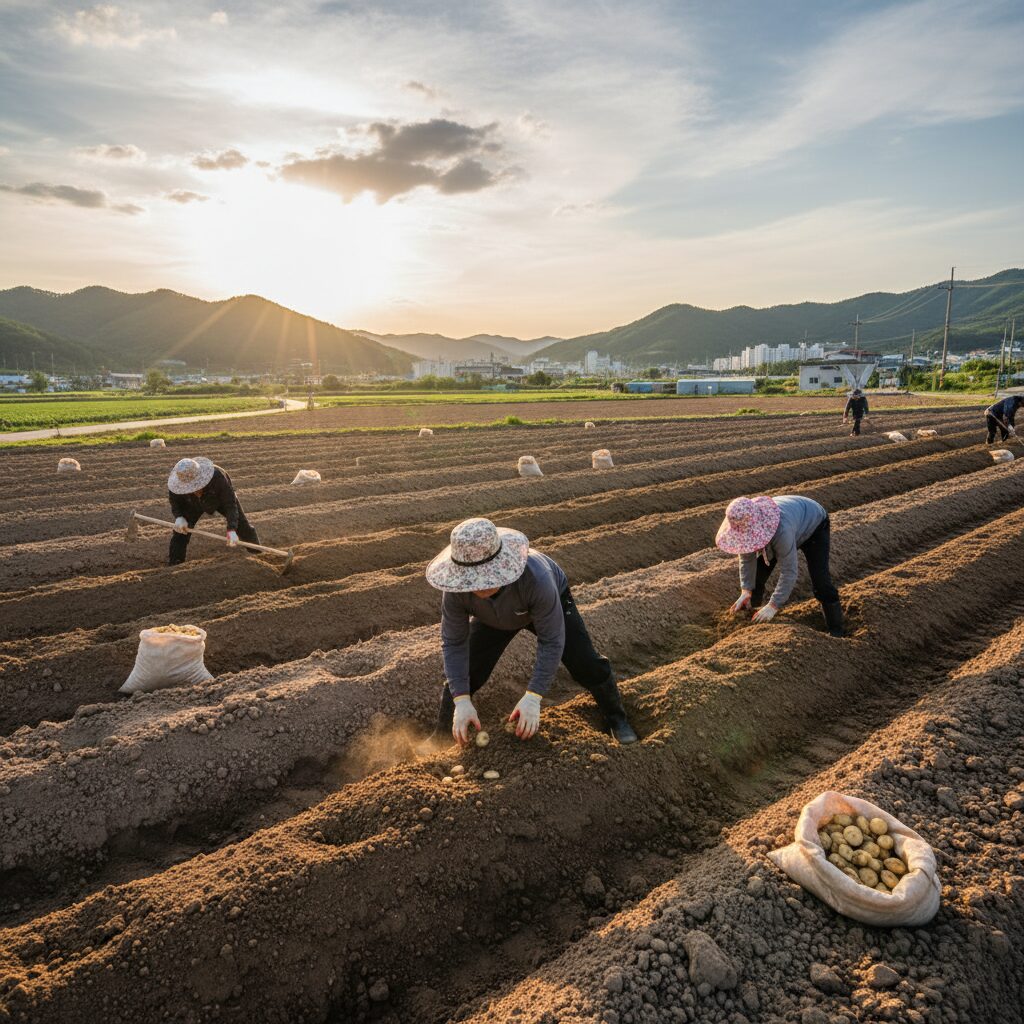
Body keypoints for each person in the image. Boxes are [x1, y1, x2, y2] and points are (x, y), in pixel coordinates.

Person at [426, 517, 638, 747]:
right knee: (468, 669)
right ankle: (442, 735)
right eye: (471, 581)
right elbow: (454, 642)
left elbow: (552, 640)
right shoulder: (457, 590)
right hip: (492, 617)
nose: (478, 586)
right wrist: (461, 699)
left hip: (539, 604)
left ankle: (617, 717)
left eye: (485, 578)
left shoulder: (537, 579)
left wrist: (533, 697)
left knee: (584, 661)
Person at [716, 494, 844, 637]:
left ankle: (836, 630)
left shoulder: (782, 531)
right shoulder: (745, 525)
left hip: (814, 524)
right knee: (756, 579)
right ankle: (751, 620)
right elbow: (746, 559)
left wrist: (773, 605)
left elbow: (789, 571)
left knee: (821, 583)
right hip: (791, 519)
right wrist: (746, 590)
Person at [166, 457, 261, 566]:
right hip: (191, 503)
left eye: (196, 485)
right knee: (181, 531)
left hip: (217, 497)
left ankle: (258, 554)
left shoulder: (217, 477)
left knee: (243, 526)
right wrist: (179, 517)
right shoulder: (177, 484)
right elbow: (175, 503)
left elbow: (230, 505)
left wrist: (232, 529)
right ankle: (175, 564)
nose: (195, 490)